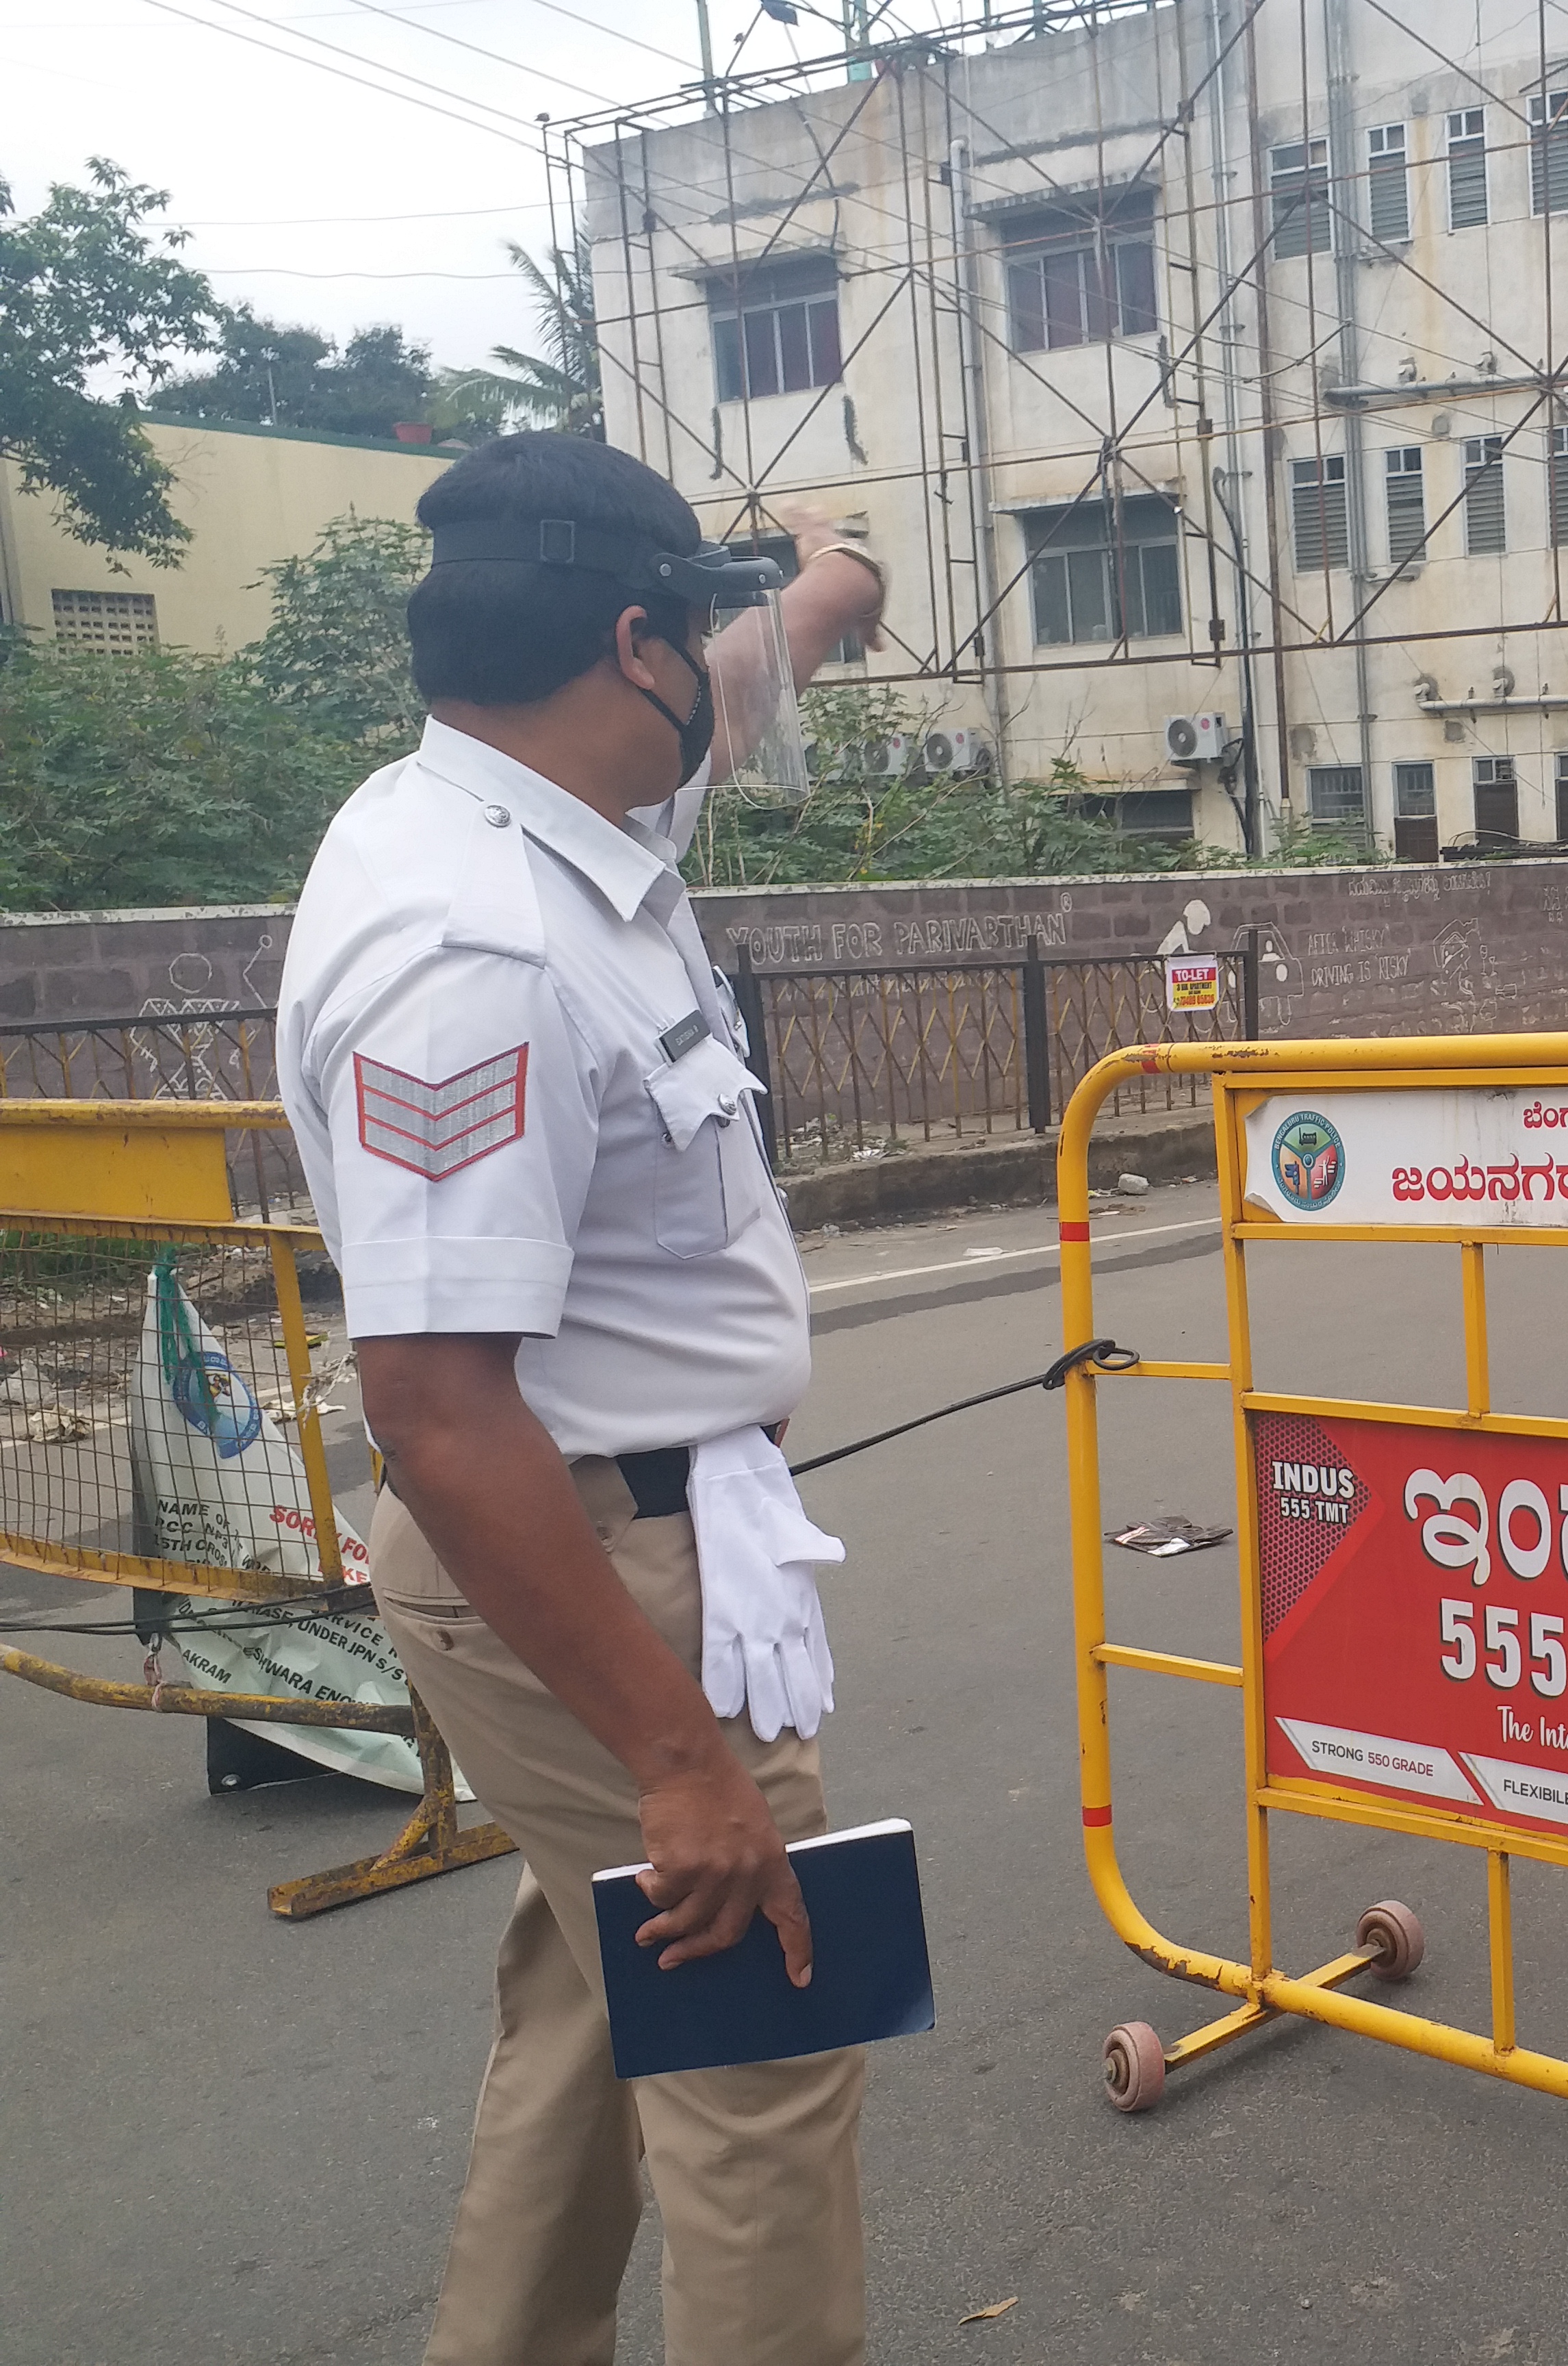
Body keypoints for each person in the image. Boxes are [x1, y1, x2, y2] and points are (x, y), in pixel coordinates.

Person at [275, 433, 888, 2366]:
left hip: (647, 1527)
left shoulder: (548, 809)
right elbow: (440, 1409)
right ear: (634, 647)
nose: (725, 685)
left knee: (588, 1997)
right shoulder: (475, 951)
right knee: (761, 2045)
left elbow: (806, 629)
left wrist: (823, 565)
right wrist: (681, 1760)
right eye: (698, 641)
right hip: (586, 1571)